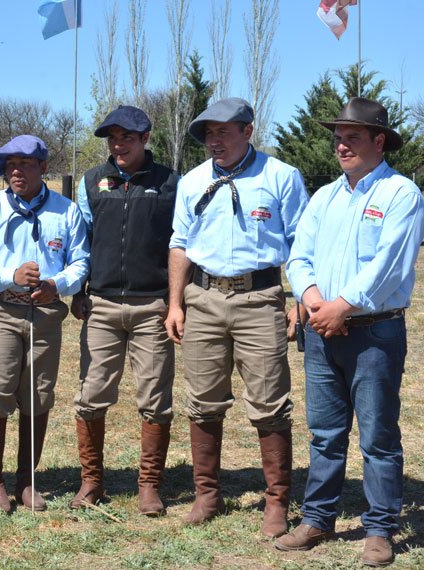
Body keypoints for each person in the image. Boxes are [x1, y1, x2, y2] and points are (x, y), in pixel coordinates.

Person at [276, 97, 424, 567]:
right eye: (338, 137)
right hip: (322, 329)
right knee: (324, 432)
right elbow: (299, 255)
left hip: (373, 332)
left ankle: (380, 528)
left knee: (378, 436)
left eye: (353, 137)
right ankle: (318, 518)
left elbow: (389, 264)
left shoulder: (402, 194)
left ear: (379, 141)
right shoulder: (325, 197)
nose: (341, 145)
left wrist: (343, 305)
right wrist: (314, 298)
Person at [165, 97, 308, 537]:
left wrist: (300, 298)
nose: (214, 141)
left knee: (269, 402)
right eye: (209, 134)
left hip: (260, 299)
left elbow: (303, 241)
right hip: (203, 300)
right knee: (203, 400)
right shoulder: (192, 182)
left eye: (223, 131)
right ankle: (207, 494)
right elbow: (179, 243)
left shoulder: (281, 177)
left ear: (248, 130)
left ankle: (276, 501)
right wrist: (176, 303)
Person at [0, 135, 89, 513]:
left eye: (25, 164)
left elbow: (81, 261)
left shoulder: (66, 212)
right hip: (3, 309)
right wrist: (10, 276)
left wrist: (57, 285)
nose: (16, 172)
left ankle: (26, 481)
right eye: (10, 166)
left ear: (43, 168)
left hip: (46, 314)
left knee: (38, 395)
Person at [69, 106, 179, 516]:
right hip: (101, 304)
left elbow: (178, 244)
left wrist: (175, 300)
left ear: (145, 138)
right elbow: (81, 241)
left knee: (154, 398)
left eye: (127, 138)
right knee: (92, 394)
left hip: (152, 306)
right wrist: (78, 290)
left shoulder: (170, 183)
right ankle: (91, 481)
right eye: (112, 138)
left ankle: (149, 485)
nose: (118, 145)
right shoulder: (92, 182)